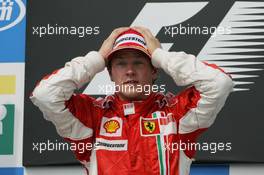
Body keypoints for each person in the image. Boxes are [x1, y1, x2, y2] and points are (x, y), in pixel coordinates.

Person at [30, 26, 234, 175]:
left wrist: (161, 55)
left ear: (154, 70)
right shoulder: (93, 116)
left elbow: (219, 82)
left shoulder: (177, 114)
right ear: (109, 72)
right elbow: (45, 94)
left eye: (138, 62)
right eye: (120, 64)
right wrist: (98, 58)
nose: (129, 71)